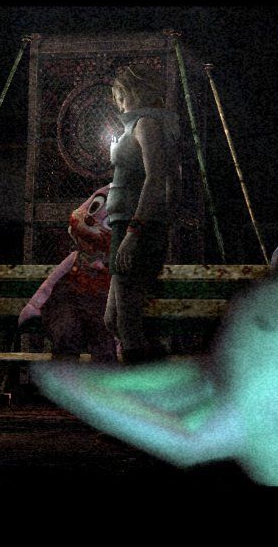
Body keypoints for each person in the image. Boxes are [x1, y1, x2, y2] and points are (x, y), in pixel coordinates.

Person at [103, 65, 181, 364]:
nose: (119, 103)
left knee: (127, 322)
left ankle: (140, 380)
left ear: (133, 92)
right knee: (113, 320)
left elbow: (157, 177)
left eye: (120, 96)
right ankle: (155, 364)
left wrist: (135, 232)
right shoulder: (140, 124)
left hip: (135, 225)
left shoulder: (147, 123)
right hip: (125, 223)